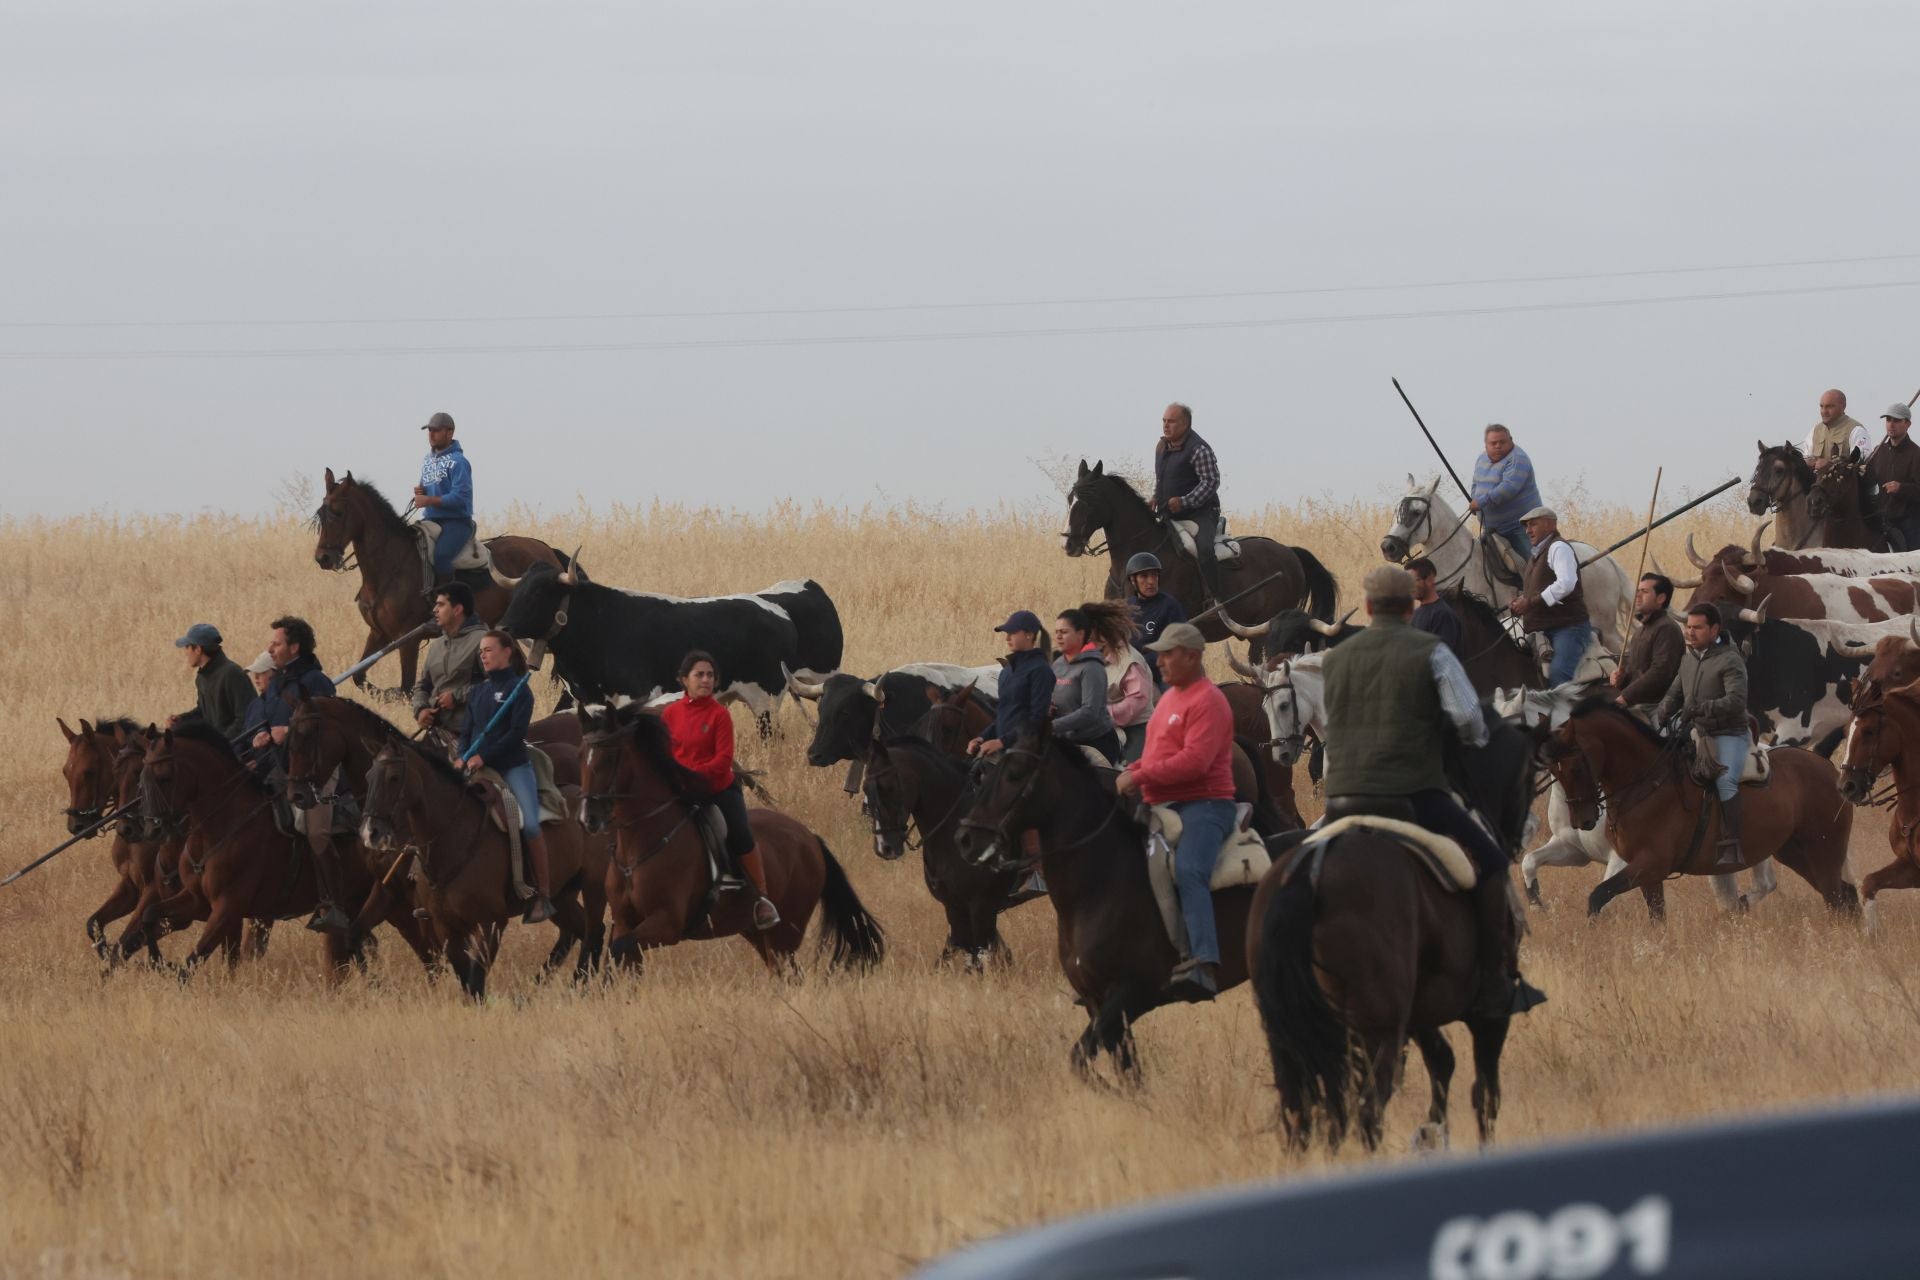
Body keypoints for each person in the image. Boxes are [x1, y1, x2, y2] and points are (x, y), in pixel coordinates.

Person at [1321, 565, 1546, 1018]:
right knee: (1493, 864)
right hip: (1414, 796)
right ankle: (1496, 982)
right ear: (1411, 608)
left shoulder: (1337, 657)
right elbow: (1469, 721)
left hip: (1342, 797)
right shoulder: (1432, 652)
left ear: (1367, 607)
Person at [1115, 622, 1236, 1001]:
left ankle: (1203, 962)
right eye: (1160, 654)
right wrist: (1132, 771)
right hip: (1161, 802)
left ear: (1193, 657)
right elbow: (1155, 757)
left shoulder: (1209, 701)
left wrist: (1139, 776)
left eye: (1168, 654)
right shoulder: (1168, 699)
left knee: (1189, 870)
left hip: (1205, 804)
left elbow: (1195, 763)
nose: (1159, 661)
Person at [660, 650, 777, 931]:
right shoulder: (670, 713)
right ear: (684, 680)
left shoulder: (719, 715)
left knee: (740, 832)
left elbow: (723, 760)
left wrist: (692, 775)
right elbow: (664, 754)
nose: (706, 680)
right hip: (680, 790)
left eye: (710, 675)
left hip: (717, 789)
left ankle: (761, 898)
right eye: (699, 675)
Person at [251, 616, 350, 933]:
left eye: (276, 643)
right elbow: (270, 720)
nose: (270, 649)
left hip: (317, 773)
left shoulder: (316, 681)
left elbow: (329, 730)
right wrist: (263, 736)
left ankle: (333, 903)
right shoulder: (278, 681)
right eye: (271, 644)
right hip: (281, 769)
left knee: (313, 830)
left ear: (294, 648)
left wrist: (288, 732)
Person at [459, 630, 556, 924]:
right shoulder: (477, 691)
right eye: (481, 651)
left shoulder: (520, 690)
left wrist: (484, 756)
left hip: (513, 767)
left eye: (489, 650)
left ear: (507, 652)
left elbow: (515, 735)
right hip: (479, 767)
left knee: (529, 824)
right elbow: (466, 731)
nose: (483, 655)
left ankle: (543, 895)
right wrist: (462, 756)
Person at [1653, 604, 1750, 869]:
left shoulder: (1730, 660)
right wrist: (1664, 709)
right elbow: (1675, 693)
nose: (1690, 632)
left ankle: (1731, 845)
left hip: (1727, 733)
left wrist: (1700, 708)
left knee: (1725, 781)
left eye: (1697, 628)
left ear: (1714, 630)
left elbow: (1736, 701)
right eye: (1688, 627)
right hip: (1694, 729)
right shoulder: (1688, 659)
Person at [1506, 506, 1592, 687]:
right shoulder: (1536, 554)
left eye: (1533, 524)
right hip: (1542, 628)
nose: (1528, 530)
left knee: (1558, 673)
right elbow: (1538, 590)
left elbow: (1566, 583)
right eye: (1526, 526)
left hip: (1568, 627)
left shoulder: (1558, 548)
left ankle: (1561, 706)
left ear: (1550, 524)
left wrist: (1530, 603)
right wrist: (1521, 602)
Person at [1150, 403, 1225, 605]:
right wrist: (1156, 497)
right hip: (1170, 513)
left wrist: (1185, 502)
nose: (1166, 425)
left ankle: (1215, 598)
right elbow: (1162, 479)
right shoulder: (1161, 447)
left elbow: (1211, 482)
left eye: (1171, 421)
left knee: (1205, 548)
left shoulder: (1199, 449)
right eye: (1164, 421)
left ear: (1185, 424)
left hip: (1202, 513)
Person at [1050, 604, 1130, 765]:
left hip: (1095, 743)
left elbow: (1090, 712)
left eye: (1064, 632)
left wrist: (1052, 725)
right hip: (1065, 740)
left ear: (1081, 634)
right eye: (1057, 632)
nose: (1058, 637)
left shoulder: (1092, 668)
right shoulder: (1058, 664)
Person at [968, 610, 1055, 757]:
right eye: (1007, 633)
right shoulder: (1006, 672)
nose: (1007, 638)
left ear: (1029, 635)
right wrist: (982, 737)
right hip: (1004, 751)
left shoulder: (1040, 670)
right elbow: (1003, 716)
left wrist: (1002, 742)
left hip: (1027, 754)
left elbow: (1037, 719)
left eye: (1012, 633)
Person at [412, 582, 488, 746]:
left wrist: (457, 696)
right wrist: (420, 710)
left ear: (457, 609)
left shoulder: (484, 640)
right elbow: (422, 686)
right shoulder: (436, 646)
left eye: (441, 605)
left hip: (473, 736)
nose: (434, 610)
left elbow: (499, 684)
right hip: (437, 734)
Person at [1609, 573, 1684, 717]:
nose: (1637, 595)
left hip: (1655, 707)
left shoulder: (1667, 628)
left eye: (1644, 591)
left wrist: (1626, 696)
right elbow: (1635, 670)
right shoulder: (1640, 631)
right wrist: (1621, 678)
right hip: (1636, 703)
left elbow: (1660, 672)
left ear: (1661, 598)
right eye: (1638, 590)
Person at [414, 411, 474, 590]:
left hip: (456, 522)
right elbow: (431, 488)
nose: (431, 434)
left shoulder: (459, 462)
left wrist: (429, 500)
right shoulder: (428, 460)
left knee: (442, 556)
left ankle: (447, 599)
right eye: (429, 430)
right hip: (430, 520)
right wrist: (421, 491)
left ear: (450, 432)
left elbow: (461, 497)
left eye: (436, 430)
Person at [1468, 424, 1542, 566]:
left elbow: (1508, 489)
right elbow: (1476, 484)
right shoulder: (1481, 459)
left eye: (1502, 442)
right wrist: (1474, 500)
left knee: (1535, 564)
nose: (1498, 446)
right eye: (1493, 443)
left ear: (1511, 440)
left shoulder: (1518, 458)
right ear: (1486, 445)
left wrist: (1480, 502)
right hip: (1491, 529)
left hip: (1520, 527)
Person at [170, 622, 256, 740]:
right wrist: (181, 719)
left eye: (187, 647)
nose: (185, 653)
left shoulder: (232, 674)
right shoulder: (201, 677)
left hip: (236, 748)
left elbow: (246, 717)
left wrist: (220, 743)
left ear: (198, 649)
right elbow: (203, 712)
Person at [1101, 614, 1158, 766]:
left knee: (1130, 770)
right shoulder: (1097, 656)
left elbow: (1137, 700)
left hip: (1135, 728)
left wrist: (1104, 713)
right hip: (1106, 726)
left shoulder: (1131, 661)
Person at [1124, 552, 1188, 688]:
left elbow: (1178, 645)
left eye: (1154, 575)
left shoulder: (1170, 606)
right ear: (1133, 580)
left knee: (1170, 693)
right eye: (1144, 576)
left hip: (1164, 672)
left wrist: (1144, 661)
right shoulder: (1127, 607)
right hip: (1132, 670)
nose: (1151, 581)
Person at [1869, 404, 1920, 552]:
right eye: (1888, 420)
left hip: (1907, 521)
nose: (1891, 424)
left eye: (1896, 420)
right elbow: (1867, 481)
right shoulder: (1879, 451)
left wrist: (1901, 488)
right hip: (1880, 518)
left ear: (1908, 424)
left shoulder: (1916, 454)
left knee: (1913, 560)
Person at [1803, 388, 1869, 471]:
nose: (1824, 411)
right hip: (1815, 479)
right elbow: (1805, 459)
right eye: (1821, 406)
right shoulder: (1815, 431)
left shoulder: (1856, 430)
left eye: (1829, 406)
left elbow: (1863, 464)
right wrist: (1809, 463)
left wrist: (1831, 465)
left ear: (1843, 406)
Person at [1407, 557, 1462, 654]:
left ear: (1429, 580)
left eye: (1413, 581)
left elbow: (1441, 657)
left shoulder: (1443, 615)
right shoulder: (1415, 614)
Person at [237, 651, 277, 768]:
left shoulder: (283, 704)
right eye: (255, 673)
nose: (256, 678)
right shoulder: (253, 705)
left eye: (261, 673)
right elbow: (243, 740)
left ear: (275, 674)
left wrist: (258, 763)